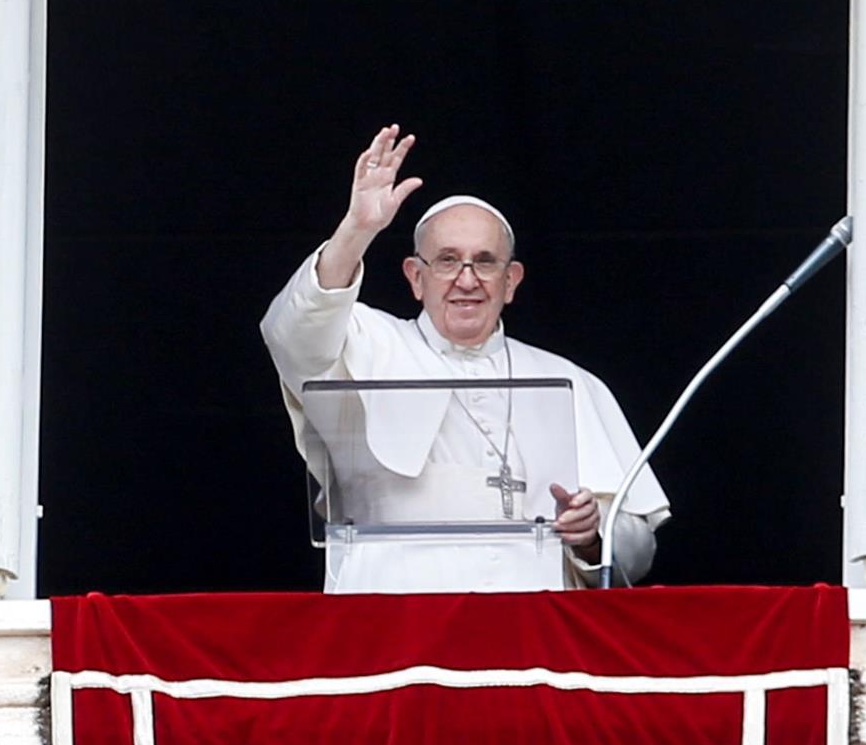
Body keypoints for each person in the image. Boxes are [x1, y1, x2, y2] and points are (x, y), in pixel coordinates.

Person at [261, 124, 668, 592]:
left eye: (485, 261)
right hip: (393, 630)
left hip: (530, 639)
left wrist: (594, 535)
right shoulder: (367, 344)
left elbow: (638, 552)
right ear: (416, 277)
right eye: (448, 260)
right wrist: (357, 230)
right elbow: (293, 332)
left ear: (511, 280)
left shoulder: (570, 381)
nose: (467, 279)